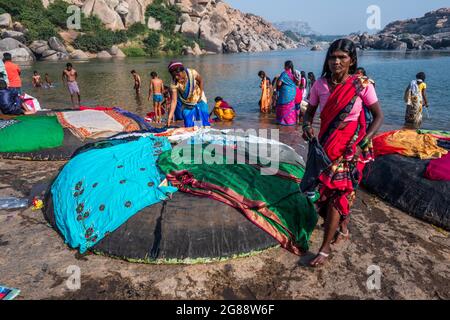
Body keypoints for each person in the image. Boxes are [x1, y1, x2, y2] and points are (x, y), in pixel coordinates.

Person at [302, 39, 384, 267]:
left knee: (340, 193)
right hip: (326, 148)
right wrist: (306, 127)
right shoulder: (319, 85)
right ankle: (343, 227)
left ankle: (324, 247)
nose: (336, 62)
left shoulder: (363, 85)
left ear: (352, 61)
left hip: (350, 150)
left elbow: (378, 117)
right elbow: (309, 114)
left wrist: (362, 143)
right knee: (327, 194)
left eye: (342, 57)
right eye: (332, 57)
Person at [167, 61, 210, 128]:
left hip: (199, 99)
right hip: (187, 103)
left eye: (178, 75)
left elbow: (201, 80)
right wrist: (169, 117)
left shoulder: (192, 73)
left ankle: (201, 131)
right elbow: (174, 101)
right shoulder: (174, 84)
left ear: (183, 71)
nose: (177, 77)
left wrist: (200, 94)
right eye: (174, 76)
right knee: (189, 124)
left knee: (202, 121)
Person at [276, 61, 302, 126]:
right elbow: (298, 83)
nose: (284, 67)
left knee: (283, 106)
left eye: (285, 65)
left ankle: (283, 122)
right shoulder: (293, 74)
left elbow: (279, 83)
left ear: (287, 66)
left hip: (285, 93)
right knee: (290, 106)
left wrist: (278, 81)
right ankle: (291, 121)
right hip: (293, 92)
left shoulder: (284, 74)